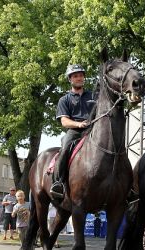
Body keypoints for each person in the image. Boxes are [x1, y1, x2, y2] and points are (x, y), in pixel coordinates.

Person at [50, 64, 95, 200]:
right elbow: (64, 121)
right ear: (70, 79)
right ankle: (58, 183)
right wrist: (79, 124)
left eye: (81, 75)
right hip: (75, 131)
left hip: (93, 129)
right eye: (75, 76)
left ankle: (127, 186)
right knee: (65, 147)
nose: (79, 78)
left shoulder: (94, 95)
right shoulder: (64, 100)